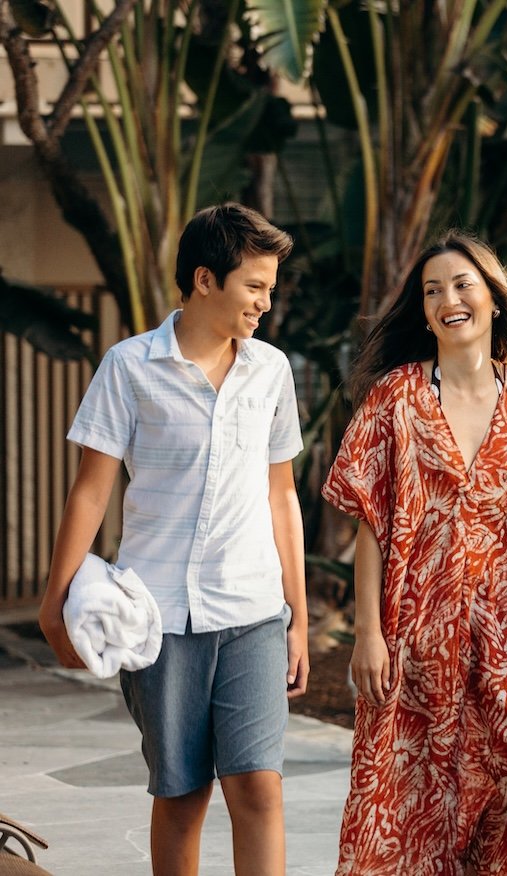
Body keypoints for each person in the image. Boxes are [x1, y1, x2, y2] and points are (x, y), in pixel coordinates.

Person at [38, 203, 307, 875]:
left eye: (270, 290)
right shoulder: (130, 368)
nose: (265, 304)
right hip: (157, 617)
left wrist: (296, 615)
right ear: (205, 279)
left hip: (251, 610)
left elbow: (282, 495)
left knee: (258, 788)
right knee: (182, 795)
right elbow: (91, 491)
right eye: (254, 287)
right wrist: (54, 604)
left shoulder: (270, 370)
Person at [322, 231, 507, 875]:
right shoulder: (396, 398)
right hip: (414, 633)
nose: (448, 298)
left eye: (463, 284)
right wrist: (368, 634)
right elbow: (371, 524)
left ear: (495, 300)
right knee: (407, 800)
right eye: (432, 290)